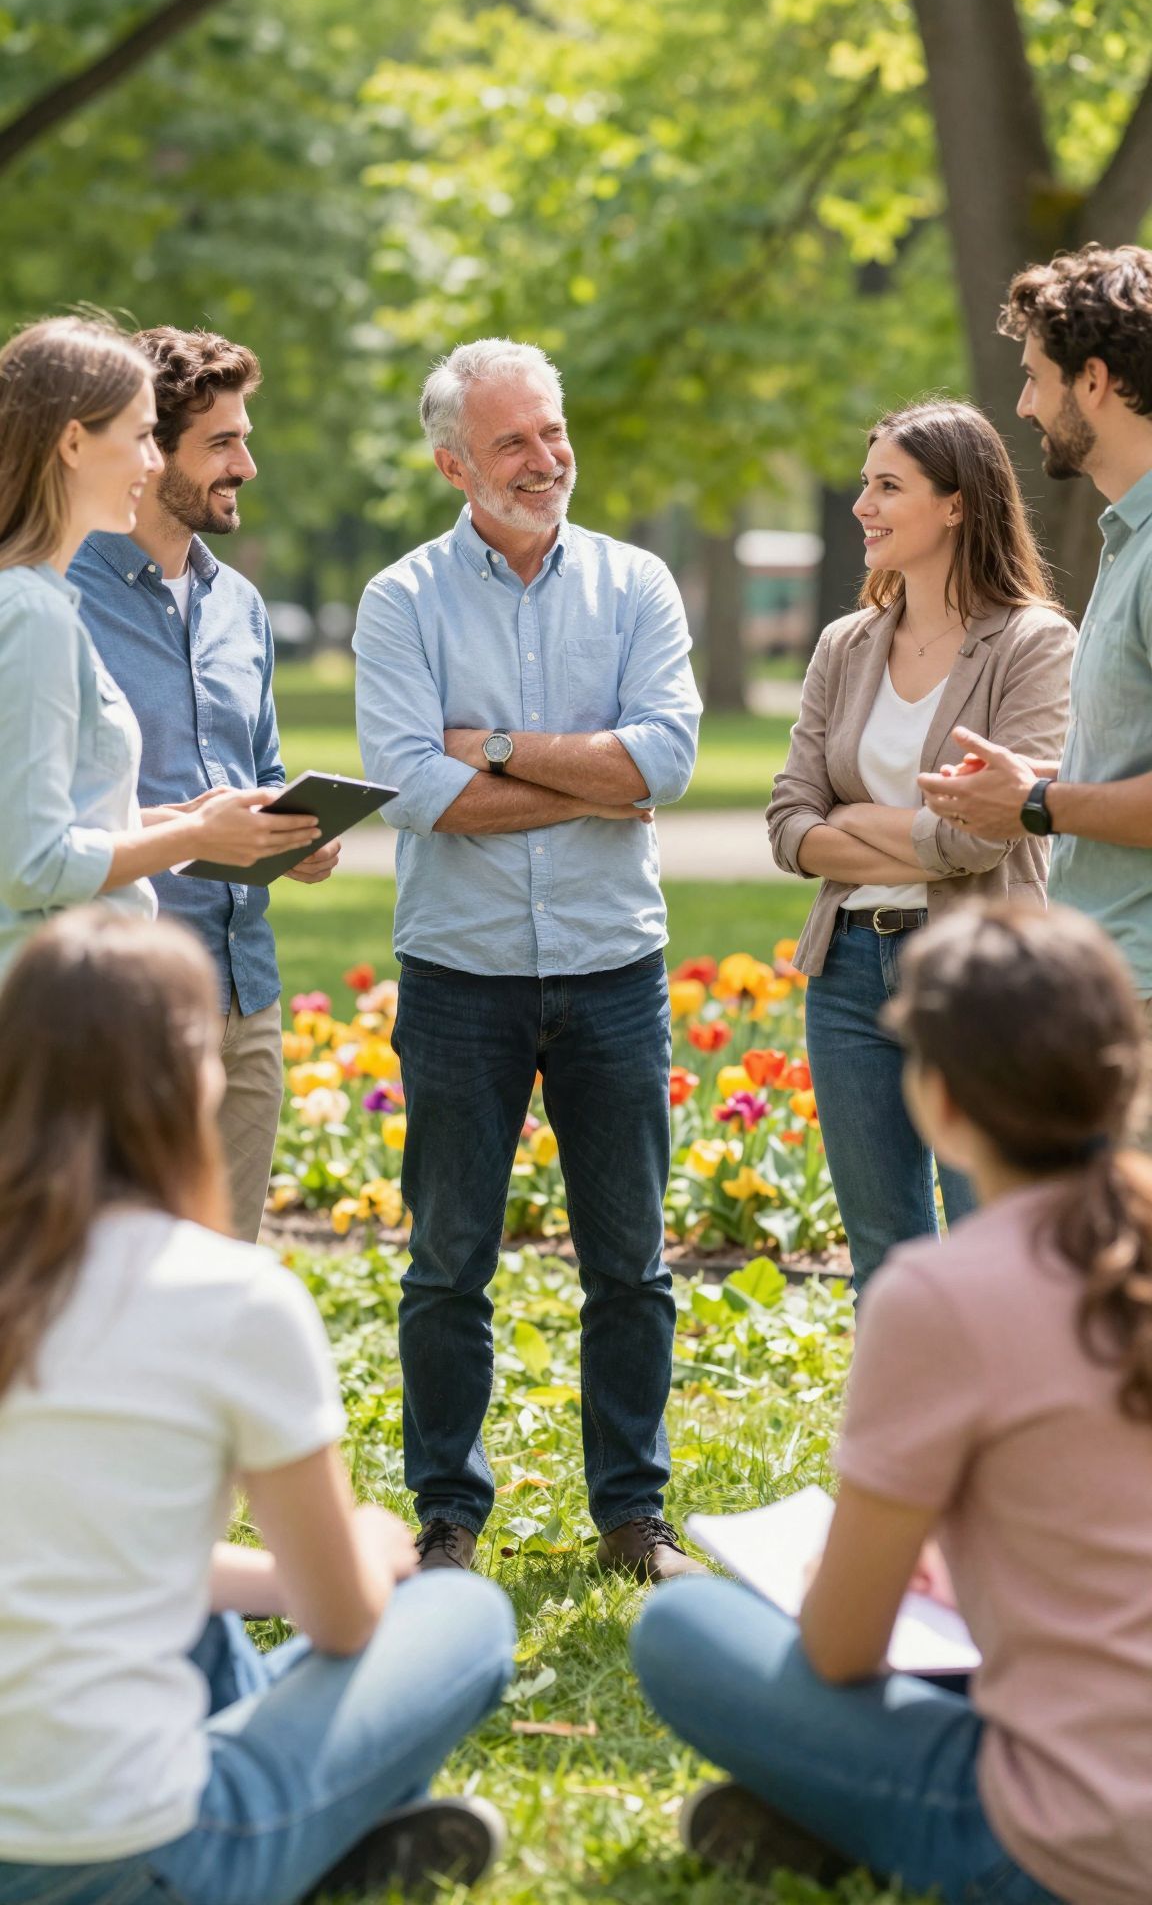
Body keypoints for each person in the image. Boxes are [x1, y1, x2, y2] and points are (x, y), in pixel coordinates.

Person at [633, 900, 1152, 1905]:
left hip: (1069, 1846)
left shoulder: (942, 1292)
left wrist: (851, 1570)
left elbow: (841, 1647)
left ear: (940, 1098)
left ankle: (849, 1824)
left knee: (684, 1628)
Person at [0, 908, 514, 1905]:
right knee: (464, 1615)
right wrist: (361, 1549)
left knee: (197, 1616)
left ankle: (328, 1838)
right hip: (146, 1853)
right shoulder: (228, 1294)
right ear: (192, 1076)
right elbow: (343, 1616)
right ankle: (315, 1844)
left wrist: (268, 1579)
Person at [354, 338, 705, 1583]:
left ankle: (633, 1511)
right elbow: (411, 788)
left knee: (633, 1259)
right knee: (449, 1261)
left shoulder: (638, 583)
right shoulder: (401, 599)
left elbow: (661, 765)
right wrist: (585, 777)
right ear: (456, 462)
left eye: (553, 431)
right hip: (461, 972)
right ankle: (446, 1514)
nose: (547, 458)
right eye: (515, 441)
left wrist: (493, 746)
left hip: (614, 966)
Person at [766, 399, 1076, 1291]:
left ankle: (1010, 1435)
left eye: (888, 486)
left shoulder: (1032, 643)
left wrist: (854, 824)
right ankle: (910, 1436)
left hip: (981, 977)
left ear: (957, 504)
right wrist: (919, 835)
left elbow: (990, 834)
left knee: (995, 1250)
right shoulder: (844, 645)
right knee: (886, 1266)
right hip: (848, 976)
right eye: (865, 484)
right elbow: (789, 822)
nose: (863, 505)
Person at [70, 326, 338, 1242]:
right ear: (153, 453)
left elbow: (259, 772)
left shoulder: (241, 607)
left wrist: (297, 834)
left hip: (244, 994)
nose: (247, 466)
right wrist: (192, 834)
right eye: (222, 442)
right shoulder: (55, 600)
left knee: (223, 1271)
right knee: (105, 1270)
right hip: (121, 1000)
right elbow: (38, 828)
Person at [0, 316, 322, 987]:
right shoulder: (35, 611)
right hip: (63, 1002)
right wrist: (195, 837)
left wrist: (200, 818)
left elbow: (60, 817)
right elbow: (31, 865)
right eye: (143, 437)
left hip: (128, 991)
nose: (151, 463)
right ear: (73, 444)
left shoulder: (43, 602)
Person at [919, 246, 1152, 1004]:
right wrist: (1031, 786)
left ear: (1094, 380)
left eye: (1034, 377)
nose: (1023, 405)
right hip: (1110, 981)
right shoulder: (1129, 542)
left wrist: (1034, 804)